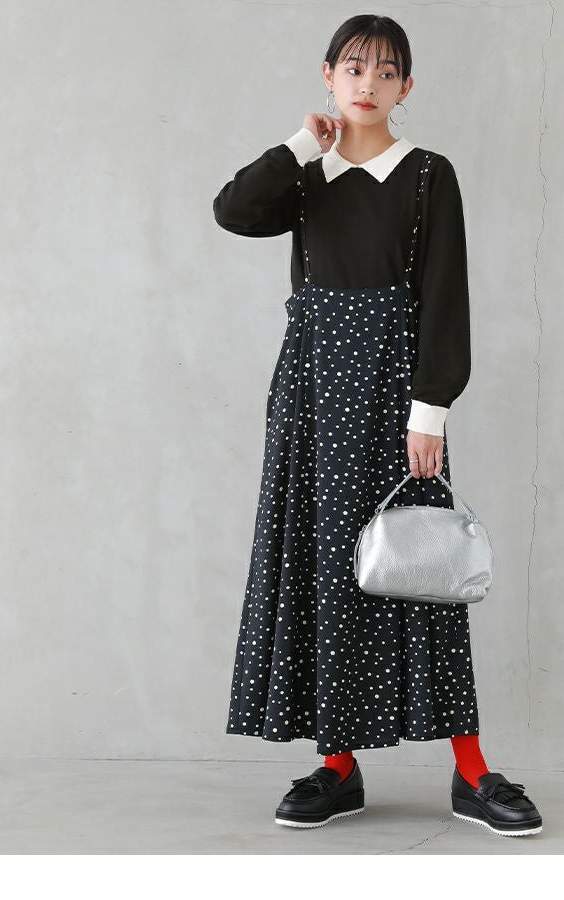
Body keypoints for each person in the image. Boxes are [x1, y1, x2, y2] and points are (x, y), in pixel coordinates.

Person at [213, 13, 542, 838]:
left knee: (421, 562)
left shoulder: (428, 174)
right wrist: (301, 143)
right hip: (313, 391)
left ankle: (472, 770)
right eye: (354, 68)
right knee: (326, 564)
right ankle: (337, 765)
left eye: (386, 71)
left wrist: (430, 411)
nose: (368, 83)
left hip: (397, 391)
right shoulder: (304, 173)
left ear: (406, 86)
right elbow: (233, 211)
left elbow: (445, 295)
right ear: (328, 75)